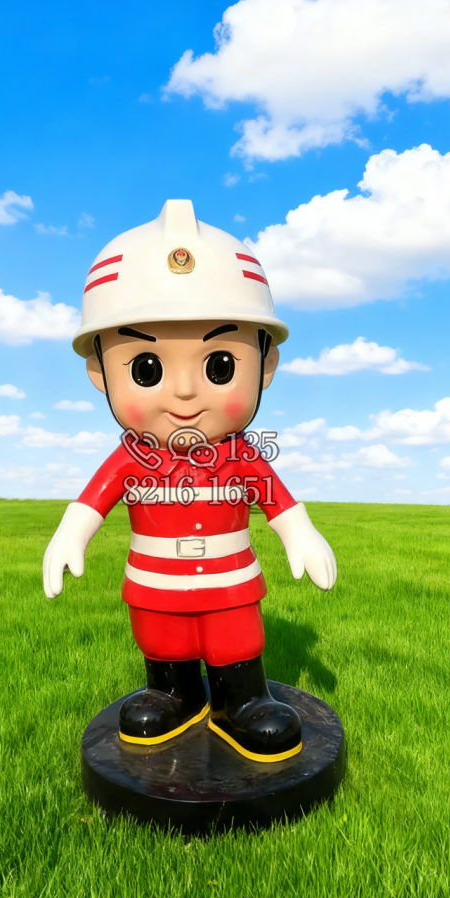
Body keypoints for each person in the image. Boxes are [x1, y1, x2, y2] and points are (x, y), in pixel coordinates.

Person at [43, 200, 336, 762]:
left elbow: (277, 501)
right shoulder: (131, 458)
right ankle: (172, 691)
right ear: (99, 372)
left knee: (234, 638)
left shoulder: (242, 456)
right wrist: (69, 535)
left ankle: (241, 698)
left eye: (219, 366)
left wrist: (301, 534)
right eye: (147, 369)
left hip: (230, 584)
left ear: (266, 365)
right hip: (154, 584)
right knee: (163, 638)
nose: (183, 391)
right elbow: (92, 502)